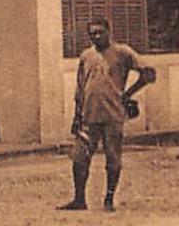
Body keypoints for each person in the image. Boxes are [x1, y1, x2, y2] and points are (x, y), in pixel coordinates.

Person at [63, 16, 156, 212]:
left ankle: (109, 199)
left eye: (100, 32)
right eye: (92, 34)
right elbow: (80, 89)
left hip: (113, 115)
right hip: (89, 116)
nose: (96, 36)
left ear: (109, 31)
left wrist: (128, 93)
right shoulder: (86, 56)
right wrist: (76, 115)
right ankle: (79, 199)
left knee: (112, 158)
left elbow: (149, 73)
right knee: (79, 158)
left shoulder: (122, 52)